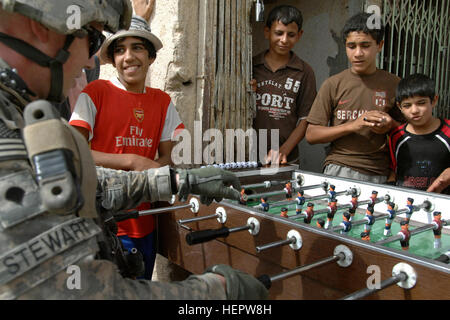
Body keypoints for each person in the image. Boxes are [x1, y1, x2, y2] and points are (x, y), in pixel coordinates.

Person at [0, 0, 268, 300]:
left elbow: (79, 185)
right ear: (45, 26)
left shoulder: (13, 114)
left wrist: (178, 181)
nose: (91, 63)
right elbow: (75, 293)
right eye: (93, 40)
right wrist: (216, 292)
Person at [69, 14, 184, 280]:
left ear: (151, 57)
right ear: (113, 60)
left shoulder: (163, 101)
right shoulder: (96, 92)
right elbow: (74, 152)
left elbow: (169, 157)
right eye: (119, 50)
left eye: (137, 48)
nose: (128, 57)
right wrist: (132, 161)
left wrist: (158, 172)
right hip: (104, 225)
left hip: (146, 220)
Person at [305, 12, 404, 183]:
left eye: (365, 45)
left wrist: (391, 125)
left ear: (379, 45)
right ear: (345, 46)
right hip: (339, 167)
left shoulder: (394, 84)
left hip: (379, 171)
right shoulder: (333, 84)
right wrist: (353, 125)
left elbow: (412, 132)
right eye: (351, 46)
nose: (358, 53)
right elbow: (312, 135)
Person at [251, 5, 317, 165]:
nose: (284, 40)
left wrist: (284, 150)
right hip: (249, 155)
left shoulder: (304, 72)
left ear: (299, 35)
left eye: (291, 35)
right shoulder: (251, 67)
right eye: (278, 33)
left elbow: (306, 119)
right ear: (267, 32)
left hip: (286, 159)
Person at [388, 74, 450, 194]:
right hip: (406, 205)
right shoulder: (395, 136)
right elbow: (393, 172)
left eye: (421, 103)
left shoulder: (448, 130)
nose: (414, 110)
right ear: (399, 106)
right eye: (407, 105)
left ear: (434, 101)